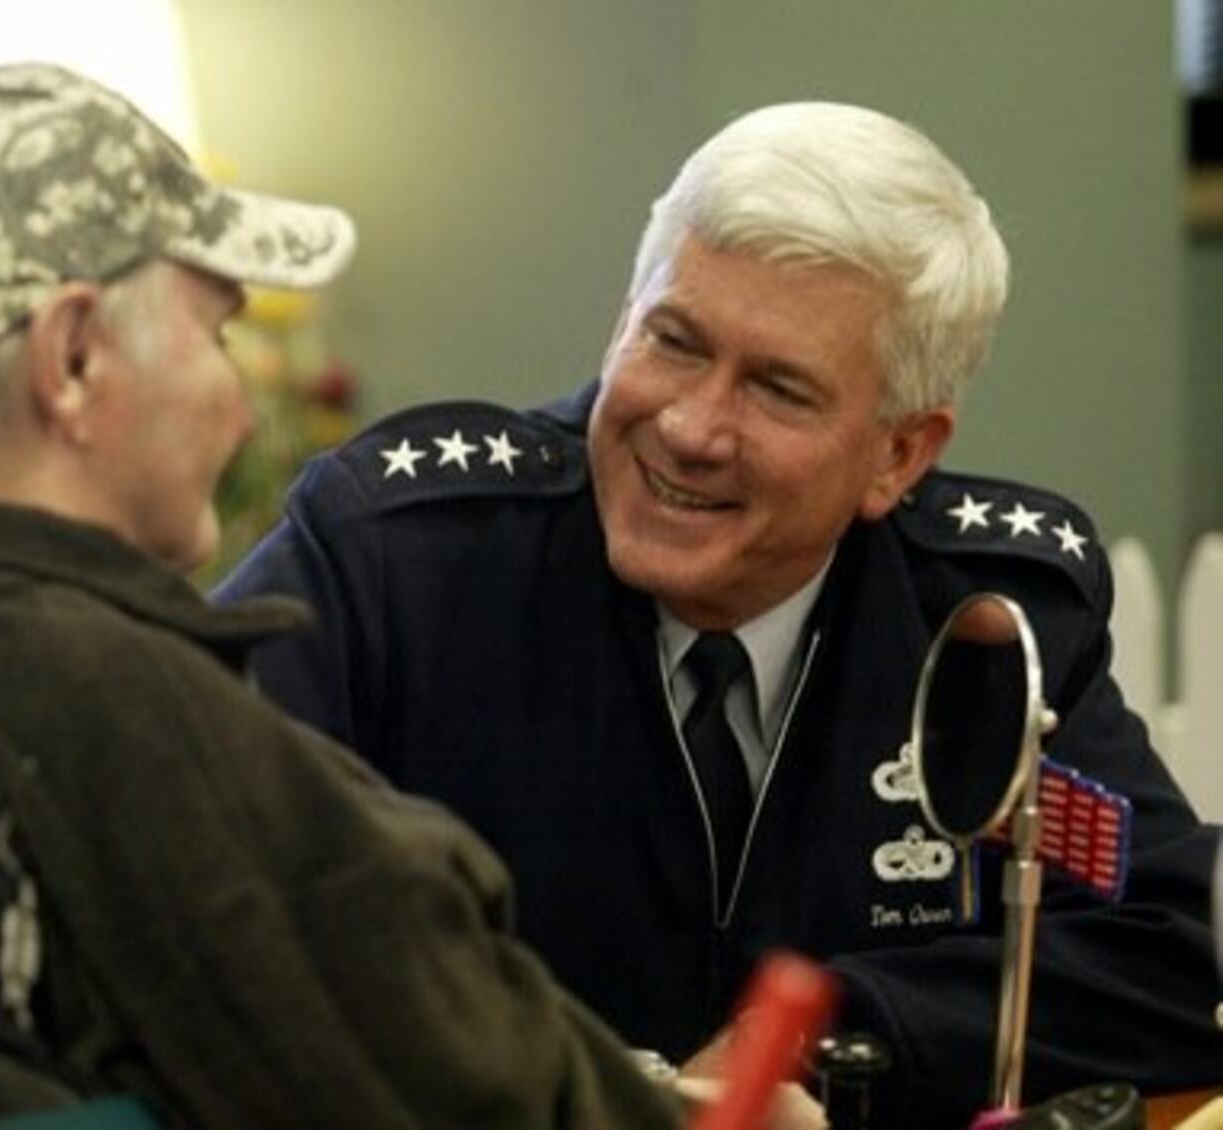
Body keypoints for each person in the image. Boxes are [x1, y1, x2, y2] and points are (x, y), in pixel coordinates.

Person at [216, 101, 1223, 1128]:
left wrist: (824, 1041)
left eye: (778, 390)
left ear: (898, 454)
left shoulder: (985, 616)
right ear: (622, 318)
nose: (692, 427)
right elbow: (184, 875)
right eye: (673, 341)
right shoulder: (398, 556)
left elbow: (1174, 944)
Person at [0, 60, 710, 1130]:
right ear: (71, 359)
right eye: (214, 336)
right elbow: (490, 1089)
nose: (238, 414)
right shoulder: (129, 719)